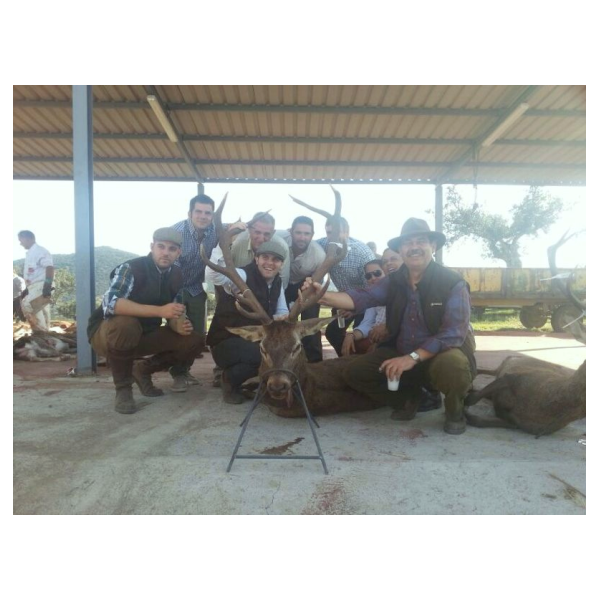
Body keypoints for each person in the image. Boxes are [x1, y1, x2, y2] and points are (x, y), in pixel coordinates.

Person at [307, 218, 476, 435]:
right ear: (401, 250)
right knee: (356, 372)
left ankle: (455, 411)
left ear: (433, 246)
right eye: (408, 243)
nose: (414, 247)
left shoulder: (452, 282)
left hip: (439, 354)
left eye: (421, 241)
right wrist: (321, 295)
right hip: (402, 350)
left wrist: (411, 358)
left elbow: (452, 334)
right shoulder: (394, 281)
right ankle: (411, 398)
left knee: (453, 365)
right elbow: (363, 297)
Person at [87, 228, 204, 414]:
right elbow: (111, 304)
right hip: (108, 336)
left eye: (172, 249)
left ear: (178, 253)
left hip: (144, 335)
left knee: (195, 340)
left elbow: (174, 310)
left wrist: (179, 324)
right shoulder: (131, 268)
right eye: (161, 247)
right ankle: (123, 389)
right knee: (125, 323)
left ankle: (142, 371)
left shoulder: (177, 275)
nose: (166, 252)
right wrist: (160, 311)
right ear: (152, 247)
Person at [206, 240, 289, 404]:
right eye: (265, 257)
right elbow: (213, 276)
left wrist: (285, 323)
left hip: (251, 341)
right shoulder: (242, 276)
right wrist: (221, 246)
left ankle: (256, 384)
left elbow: (281, 311)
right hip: (225, 341)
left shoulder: (277, 282)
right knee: (263, 356)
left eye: (276, 260)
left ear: (281, 264)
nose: (270, 263)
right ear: (256, 259)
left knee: (282, 352)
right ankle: (228, 380)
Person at [171, 194, 219, 385]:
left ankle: (185, 369)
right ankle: (177, 373)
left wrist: (239, 226)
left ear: (212, 216)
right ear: (190, 213)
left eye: (208, 213)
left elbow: (231, 228)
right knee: (180, 330)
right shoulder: (177, 232)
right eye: (198, 211)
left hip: (196, 288)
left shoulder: (215, 230)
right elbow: (169, 267)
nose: (203, 216)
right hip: (175, 287)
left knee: (198, 335)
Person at [315, 216, 375, 356]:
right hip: (342, 300)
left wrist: (355, 309)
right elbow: (305, 243)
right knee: (333, 332)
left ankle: (358, 361)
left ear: (347, 232)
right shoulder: (323, 244)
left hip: (365, 302)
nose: (333, 237)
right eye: (329, 233)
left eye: (338, 232)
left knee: (360, 336)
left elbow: (373, 289)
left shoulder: (362, 253)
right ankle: (345, 360)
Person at [278, 216, 327, 362]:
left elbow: (317, 283)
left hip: (305, 285)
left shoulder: (319, 255)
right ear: (290, 231)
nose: (302, 237)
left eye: (306, 234)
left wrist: (309, 288)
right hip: (279, 284)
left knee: (310, 321)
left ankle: (314, 362)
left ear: (312, 235)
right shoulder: (278, 237)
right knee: (278, 321)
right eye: (298, 233)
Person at [230, 212, 291, 289]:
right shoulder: (237, 243)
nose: (261, 239)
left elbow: (283, 280)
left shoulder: (282, 247)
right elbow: (224, 273)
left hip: (266, 291)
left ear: (273, 233)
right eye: (257, 232)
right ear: (249, 230)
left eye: (266, 234)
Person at [341, 259, 386, 356]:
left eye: (377, 273)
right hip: (375, 336)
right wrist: (352, 335)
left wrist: (388, 327)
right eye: (368, 276)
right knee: (351, 346)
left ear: (386, 272)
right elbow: (367, 323)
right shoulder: (371, 296)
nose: (373, 278)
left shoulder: (400, 291)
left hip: (393, 339)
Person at [17, 230, 54, 331]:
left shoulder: (40, 251)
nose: (20, 243)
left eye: (21, 240)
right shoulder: (30, 254)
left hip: (42, 284)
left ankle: (40, 332)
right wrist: (26, 289)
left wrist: (47, 285)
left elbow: (50, 267)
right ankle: (46, 333)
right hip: (34, 287)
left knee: (27, 304)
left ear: (28, 238)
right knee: (42, 311)